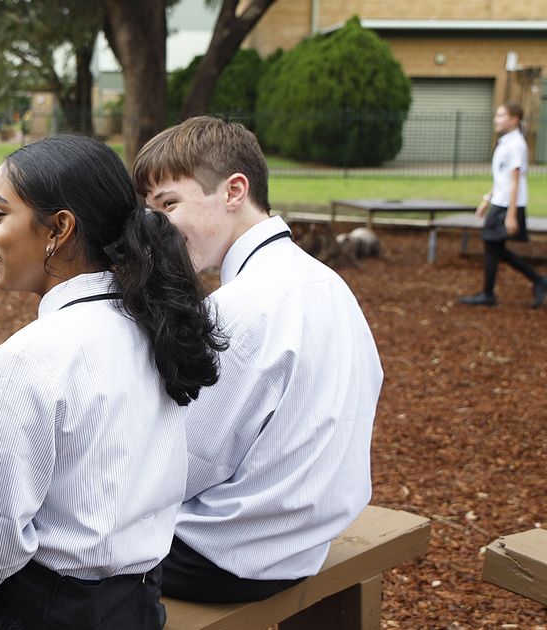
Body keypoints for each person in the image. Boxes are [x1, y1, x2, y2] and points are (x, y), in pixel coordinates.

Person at [0, 134, 225, 629]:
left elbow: (1, 533)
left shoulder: (33, 355)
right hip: (140, 606)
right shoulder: (152, 324)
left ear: (59, 228)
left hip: (44, 611)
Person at [133, 116, 383, 603]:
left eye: (169, 204)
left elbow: (182, 464)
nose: (157, 227)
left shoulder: (240, 309)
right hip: (304, 539)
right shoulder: (326, 282)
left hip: (225, 554)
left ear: (234, 191)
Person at [459, 102, 547, 309]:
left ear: (514, 120)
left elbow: (515, 181)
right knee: (494, 248)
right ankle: (535, 281)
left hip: (507, 206)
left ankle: (494, 293)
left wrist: (511, 215)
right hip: (499, 202)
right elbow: (501, 178)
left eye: (501, 115)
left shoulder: (516, 145)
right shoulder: (505, 142)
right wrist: (487, 199)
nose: (496, 119)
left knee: (493, 246)